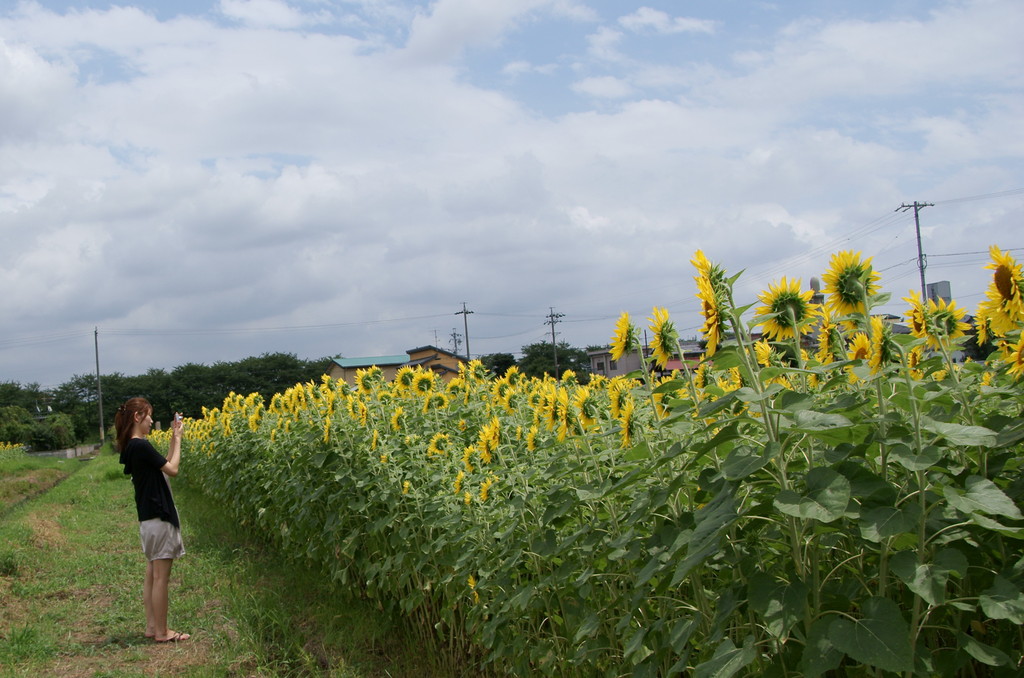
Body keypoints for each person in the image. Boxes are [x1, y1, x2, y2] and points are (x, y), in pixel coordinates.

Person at [115, 396, 190, 643]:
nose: (150, 421)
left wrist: (172, 437)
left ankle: (151, 626)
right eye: (148, 416)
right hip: (159, 517)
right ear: (137, 417)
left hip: (148, 519)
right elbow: (174, 470)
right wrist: (179, 440)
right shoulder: (142, 446)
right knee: (161, 578)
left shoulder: (132, 446)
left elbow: (164, 464)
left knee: (152, 575)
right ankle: (162, 631)